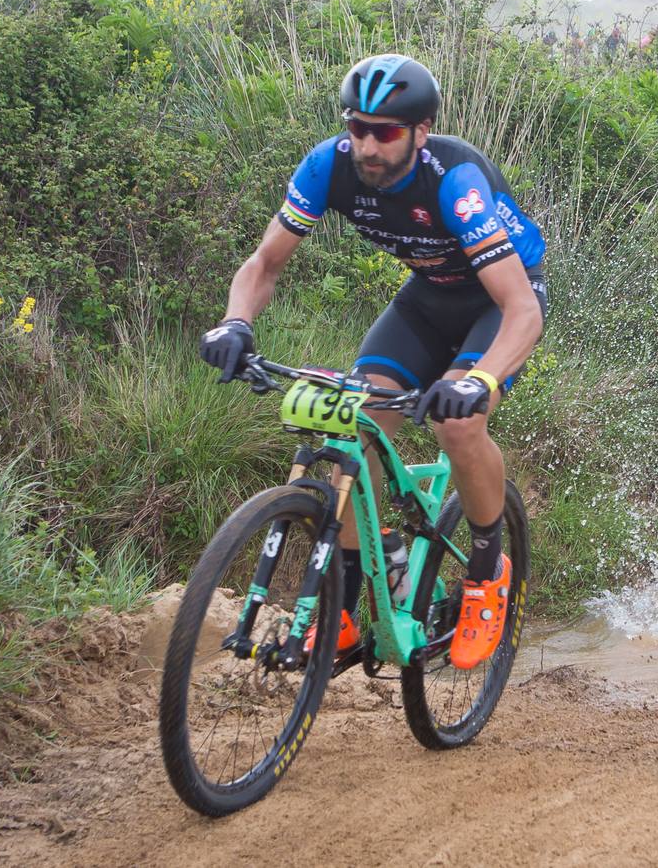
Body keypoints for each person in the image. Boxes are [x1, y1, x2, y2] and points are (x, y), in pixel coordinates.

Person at [198, 54, 547, 671]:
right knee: (352, 423)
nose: (367, 145)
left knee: (458, 423)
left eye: (385, 132)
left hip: (498, 299)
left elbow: (520, 308)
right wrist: (235, 321)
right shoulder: (327, 167)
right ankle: (344, 608)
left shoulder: (453, 180)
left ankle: (489, 573)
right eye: (358, 126)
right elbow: (264, 265)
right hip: (425, 300)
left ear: (420, 129)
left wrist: (479, 380)